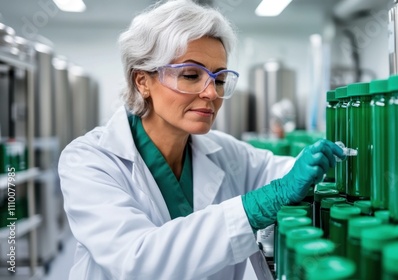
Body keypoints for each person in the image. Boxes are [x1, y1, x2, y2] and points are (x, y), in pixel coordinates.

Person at [58, 0, 345, 279]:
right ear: (142, 81)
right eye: (192, 75)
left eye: (219, 80)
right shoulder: (89, 161)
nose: (211, 93)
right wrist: (259, 206)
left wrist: (337, 160)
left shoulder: (225, 152)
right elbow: (138, 262)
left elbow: (286, 172)